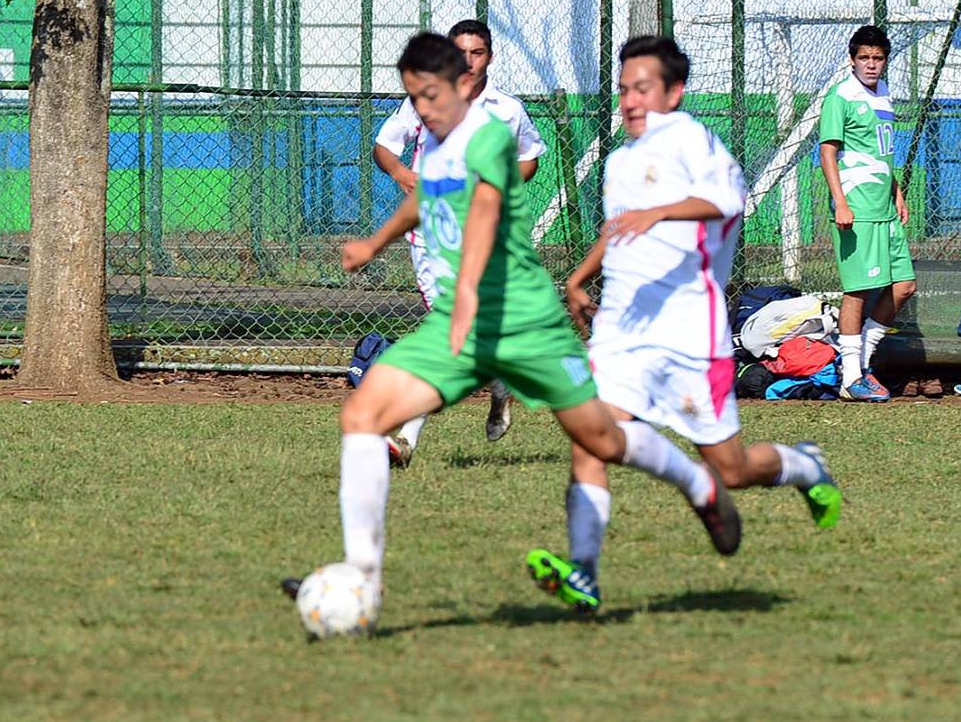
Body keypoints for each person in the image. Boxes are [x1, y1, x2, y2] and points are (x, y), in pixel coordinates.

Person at [285, 32, 739, 622]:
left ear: (463, 84)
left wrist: (468, 291)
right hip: (462, 322)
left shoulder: (489, 136)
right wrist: (375, 243)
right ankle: (363, 579)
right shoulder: (438, 143)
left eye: (429, 95)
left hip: (524, 321)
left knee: (601, 441)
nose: (421, 109)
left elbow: (485, 210)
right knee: (362, 416)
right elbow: (427, 196)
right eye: (413, 98)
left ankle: (699, 485)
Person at [543, 36, 841, 608]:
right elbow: (619, 227)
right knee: (590, 439)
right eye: (624, 90)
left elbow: (728, 200)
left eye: (642, 89)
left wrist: (660, 211)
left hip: (689, 335)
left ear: (674, 92)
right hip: (623, 329)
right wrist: (580, 278)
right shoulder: (619, 160)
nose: (630, 101)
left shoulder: (689, 138)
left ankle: (803, 464)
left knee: (732, 470)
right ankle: (583, 571)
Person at [369, 17, 545, 462]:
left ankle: (406, 437)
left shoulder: (507, 110)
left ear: (490, 57)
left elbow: (529, 158)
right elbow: (384, 146)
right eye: (459, 52)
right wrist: (401, 172)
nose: (468, 61)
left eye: (477, 52)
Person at [818, 24, 915, 401]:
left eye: (877, 58)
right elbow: (828, 151)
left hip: (885, 208)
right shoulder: (840, 96)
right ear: (852, 60)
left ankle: (861, 362)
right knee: (857, 291)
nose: (871, 64)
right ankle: (850, 377)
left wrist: (896, 191)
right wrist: (840, 202)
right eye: (864, 58)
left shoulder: (884, 93)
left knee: (904, 286)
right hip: (857, 208)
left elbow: (880, 151)